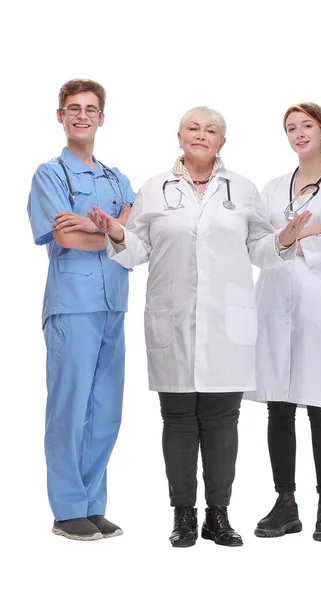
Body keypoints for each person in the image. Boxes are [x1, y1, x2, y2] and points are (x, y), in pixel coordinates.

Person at [88, 106, 311, 548]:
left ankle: (219, 515)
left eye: (211, 130)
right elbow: (136, 251)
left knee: (223, 421)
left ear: (221, 143)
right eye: (194, 127)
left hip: (227, 326)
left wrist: (285, 238)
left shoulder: (241, 190)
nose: (202, 134)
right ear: (179, 136)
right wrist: (116, 232)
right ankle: (184, 516)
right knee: (178, 420)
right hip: (173, 322)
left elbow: (261, 250)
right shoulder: (156, 189)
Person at [28, 79, 135, 541]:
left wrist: (110, 233)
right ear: (60, 116)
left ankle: (93, 504)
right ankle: (68, 507)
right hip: (72, 307)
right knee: (69, 408)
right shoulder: (50, 175)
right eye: (73, 108)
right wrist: (111, 232)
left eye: (91, 109)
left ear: (102, 118)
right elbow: (66, 237)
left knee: (106, 409)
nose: (82, 115)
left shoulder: (117, 179)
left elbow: (133, 238)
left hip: (114, 305)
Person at [247, 102, 321, 542]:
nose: (298, 133)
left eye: (306, 125)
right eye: (291, 128)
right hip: (274, 303)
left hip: (319, 306)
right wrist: (298, 233)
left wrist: (291, 236)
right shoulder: (272, 189)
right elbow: (257, 245)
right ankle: (285, 503)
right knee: (278, 406)